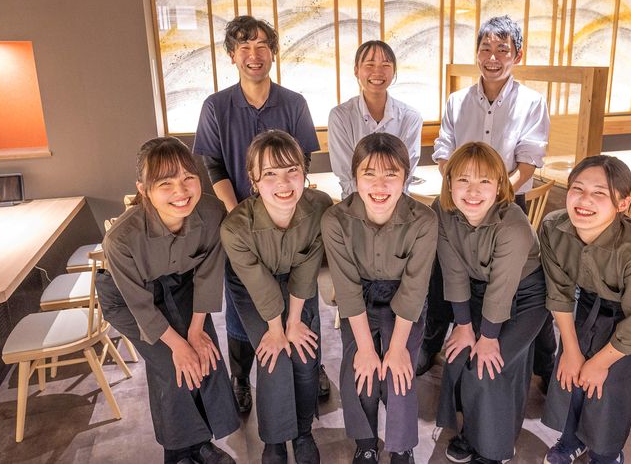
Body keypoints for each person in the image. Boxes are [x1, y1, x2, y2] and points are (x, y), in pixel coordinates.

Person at [193, 15, 329, 411]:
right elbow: (213, 166)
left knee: (303, 293)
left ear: (273, 52)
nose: (254, 55)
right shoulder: (216, 106)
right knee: (244, 304)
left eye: (262, 46)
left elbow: (302, 161)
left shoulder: (294, 103)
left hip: (290, 218)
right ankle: (241, 376)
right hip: (240, 223)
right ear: (232, 55)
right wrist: (240, 214)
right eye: (244, 48)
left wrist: (282, 203)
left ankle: (313, 363)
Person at [418, 15, 556, 389]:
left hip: (508, 203)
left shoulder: (532, 102)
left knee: (512, 276)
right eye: (486, 49)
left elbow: (528, 161)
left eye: (502, 50)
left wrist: (497, 195)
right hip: (459, 202)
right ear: (476, 53)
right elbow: (444, 149)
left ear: (517, 55)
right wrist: (459, 188)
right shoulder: (457, 100)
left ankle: (545, 362)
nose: (493, 57)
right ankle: (435, 342)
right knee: (445, 273)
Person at [96, 137, 239, 464]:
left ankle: (201, 443)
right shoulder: (121, 239)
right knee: (173, 367)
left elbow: (208, 276)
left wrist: (196, 333)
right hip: (129, 300)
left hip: (181, 287)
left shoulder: (212, 212)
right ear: (144, 189)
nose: (181, 191)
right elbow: (140, 305)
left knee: (206, 357)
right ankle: (176, 453)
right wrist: (179, 345)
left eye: (188, 178)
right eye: (166, 184)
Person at [539, 155, 631, 464]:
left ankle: (607, 452)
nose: (584, 200)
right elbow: (560, 292)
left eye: (599, 193)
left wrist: (601, 362)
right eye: (578, 188)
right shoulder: (552, 227)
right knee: (572, 366)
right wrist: (571, 351)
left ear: (622, 203)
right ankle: (572, 437)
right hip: (594, 294)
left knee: (610, 377)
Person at [322, 133, 437, 464]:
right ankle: (366, 443)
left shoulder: (424, 220)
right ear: (355, 177)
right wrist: (366, 348)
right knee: (360, 367)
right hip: (358, 300)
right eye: (369, 173)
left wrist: (397, 348)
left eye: (391, 174)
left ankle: (401, 446)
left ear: (406, 177)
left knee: (400, 369)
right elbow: (347, 289)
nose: (380, 185)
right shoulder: (335, 220)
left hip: (404, 300)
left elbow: (414, 289)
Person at [220, 130, 332, 464]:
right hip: (250, 288)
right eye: (269, 173)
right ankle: (274, 439)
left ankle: (303, 431)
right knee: (275, 356)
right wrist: (276, 328)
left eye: (291, 170)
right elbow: (259, 286)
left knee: (305, 352)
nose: (283, 183)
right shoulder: (235, 227)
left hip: (298, 283)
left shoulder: (320, 207)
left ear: (304, 172)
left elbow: (307, 269)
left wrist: (294, 322)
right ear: (253, 180)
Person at [434, 142, 549, 464]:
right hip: (479, 294)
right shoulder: (441, 211)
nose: (473, 191)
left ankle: (494, 448)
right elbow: (453, 270)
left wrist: (487, 337)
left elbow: (502, 289)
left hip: (525, 299)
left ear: (499, 186)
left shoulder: (513, 226)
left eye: (484, 181)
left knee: (488, 369)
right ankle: (473, 432)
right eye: (463, 180)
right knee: (459, 357)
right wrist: (463, 326)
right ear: (449, 183)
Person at [327, 40, 423, 199]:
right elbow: (346, 174)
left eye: (385, 65)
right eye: (370, 64)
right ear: (356, 70)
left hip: (396, 203)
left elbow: (405, 174)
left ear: (394, 71)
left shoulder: (410, 117)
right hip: (355, 204)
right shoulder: (340, 116)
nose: (377, 71)